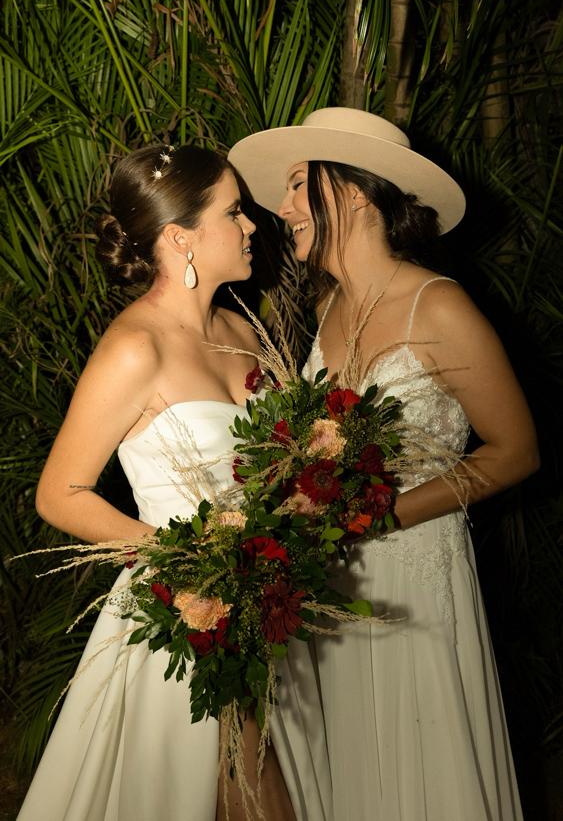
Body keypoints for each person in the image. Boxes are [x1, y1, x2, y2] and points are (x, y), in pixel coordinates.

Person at [228, 107, 539, 820]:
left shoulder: (440, 306)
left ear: (356, 192)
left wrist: (376, 514)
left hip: (415, 575)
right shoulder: (327, 305)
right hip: (330, 582)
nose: (281, 209)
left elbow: (515, 450)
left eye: (299, 186)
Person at [17, 144, 332, 821]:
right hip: (184, 613)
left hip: (266, 600)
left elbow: (283, 462)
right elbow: (59, 493)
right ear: (178, 237)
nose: (252, 226)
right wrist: (184, 561)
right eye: (234, 211)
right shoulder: (136, 347)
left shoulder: (242, 331)